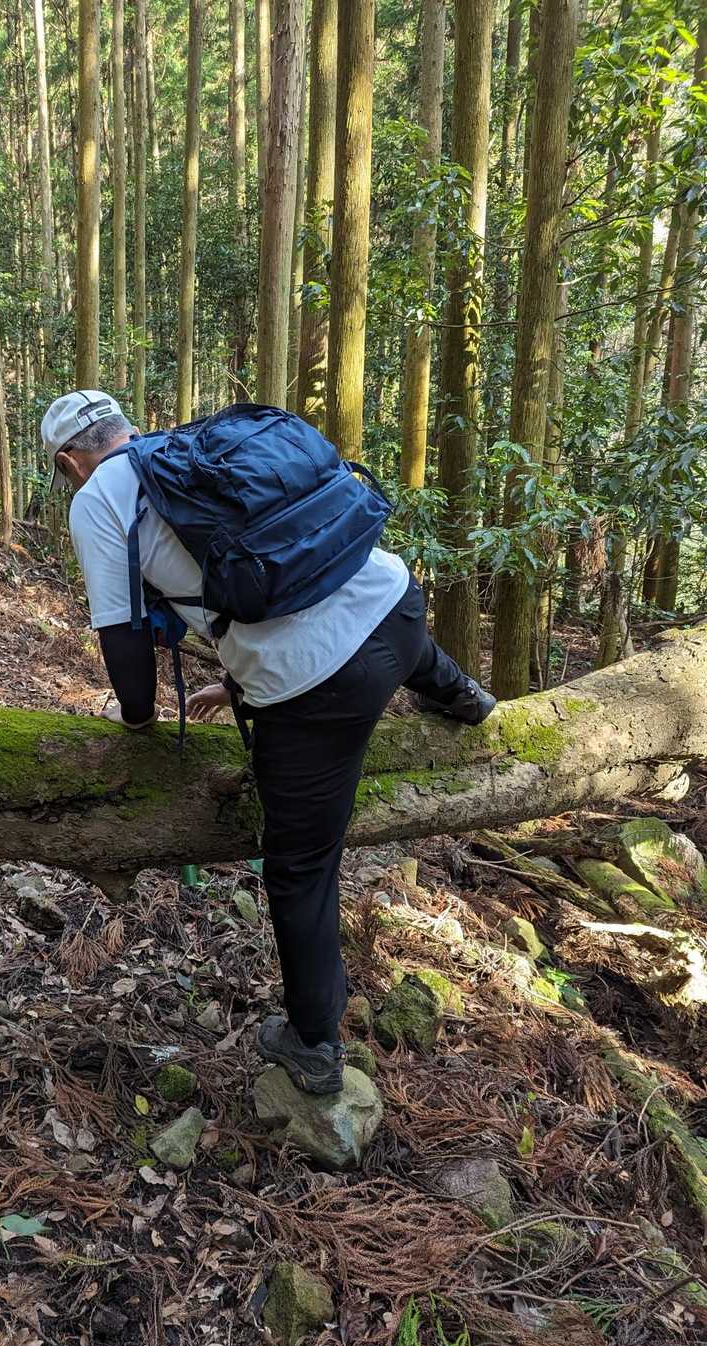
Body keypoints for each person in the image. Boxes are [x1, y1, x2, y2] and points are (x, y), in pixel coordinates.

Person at [42, 389, 496, 1096]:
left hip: (318, 688)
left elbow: (123, 634)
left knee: (299, 866)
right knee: (396, 640)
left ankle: (313, 1044)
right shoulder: (192, 452)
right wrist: (238, 683)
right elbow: (295, 565)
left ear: (72, 461)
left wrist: (136, 721)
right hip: (398, 609)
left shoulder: (99, 498)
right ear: (126, 428)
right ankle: (463, 695)